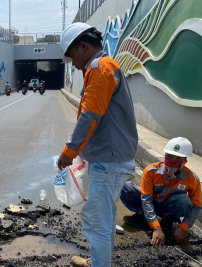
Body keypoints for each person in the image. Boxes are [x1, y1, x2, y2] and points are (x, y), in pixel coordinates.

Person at [57, 22, 138, 267]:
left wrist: (68, 152)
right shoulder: (102, 67)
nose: (73, 63)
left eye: (72, 56)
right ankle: (99, 261)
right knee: (105, 216)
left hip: (109, 160)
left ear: (83, 46)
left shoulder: (100, 67)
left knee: (96, 220)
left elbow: (90, 116)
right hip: (110, 157)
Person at [120, 137, 201, 247]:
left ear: (185, 161)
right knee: (123, 186)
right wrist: (156, 228)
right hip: (150, 202)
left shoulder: (192, 179)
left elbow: (196, 206)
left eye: (178, 158)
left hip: (168, 206)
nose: (172, 161)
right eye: (170, 156)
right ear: (165, 156)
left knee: (184, 201)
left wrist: (183, 228)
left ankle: (167, 221)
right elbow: (146, 199)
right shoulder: (151, 171)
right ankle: (143, 216)